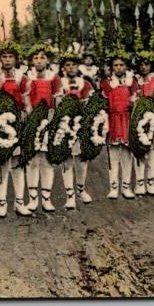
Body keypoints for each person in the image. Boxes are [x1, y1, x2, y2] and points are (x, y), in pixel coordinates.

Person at [0, 41, 29, 218]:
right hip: (0, 123)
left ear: (16, 59)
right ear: (0, 59)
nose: (7, 60)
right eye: (4, 56)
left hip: (18, 122)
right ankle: (2, 203)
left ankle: (19, 202)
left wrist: (28, 122)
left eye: (10, 56)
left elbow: (27, 104)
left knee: (18, 163)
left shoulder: (22, 77)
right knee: (2, 163)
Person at [23, 43, 61, 213]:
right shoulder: (26, 77)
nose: (39, 61)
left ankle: (46, 198)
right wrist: (30, 117)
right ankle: (32, 198)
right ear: (31, 60)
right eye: (35, 58)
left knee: (47, 160)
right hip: (31, 120)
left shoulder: (54, 77)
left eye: (42, 57)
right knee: (32, 159)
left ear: (48, 60)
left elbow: (57, 100)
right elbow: (24, 98)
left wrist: (52, 120)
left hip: (48, 119)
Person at [57, 51, 94, 209]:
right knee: (67, 159)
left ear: (78, 66)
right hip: (65, 124)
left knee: (82, 159)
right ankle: (69, 194)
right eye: (67, 65)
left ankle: (81, 189)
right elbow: (57, 103)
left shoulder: (85, 83)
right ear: (63, 67)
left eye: (73, 65)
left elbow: (90, 104)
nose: (70, 68)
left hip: (81, 123)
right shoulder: (59, 82)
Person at [100, 51, 138, 200]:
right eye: (115, 65)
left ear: (126, 66)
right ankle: (113, 186)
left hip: (128, 119)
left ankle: (126, 186)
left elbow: (136, 101)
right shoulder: (107, 83)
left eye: (121, 65)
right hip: (113, 119)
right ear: (111, 68)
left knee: (128, 154)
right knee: (114, 155)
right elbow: (103, 102)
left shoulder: (132, 82)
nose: (119, 68)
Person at [133, 51, 154, 196]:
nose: (144, 67)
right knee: (139, 150)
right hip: (137, 118)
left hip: (153, 119)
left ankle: (150, 182)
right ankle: (140, 182)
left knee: (152, 150)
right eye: (141, 64)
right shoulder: (134, 80)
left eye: (147, 64)